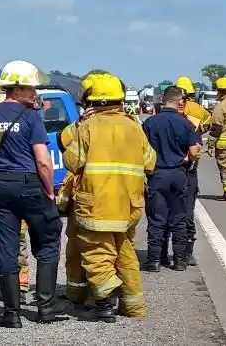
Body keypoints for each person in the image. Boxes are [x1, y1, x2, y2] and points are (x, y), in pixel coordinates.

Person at [0, 60, 72, 328]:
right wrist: (50, 191)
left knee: (6, 246)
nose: (34, 93)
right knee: (49, 240)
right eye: (30, 88)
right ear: (15, 89)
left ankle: (11, 313)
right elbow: (42, 161)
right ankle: (46, 307)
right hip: (30, 185)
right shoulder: (30, 118)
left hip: (0, 187)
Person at [62, 74, 156, 322]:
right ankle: (134, 306)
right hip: (128, 207)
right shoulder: (135, 127)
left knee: (97, 254)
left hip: (96, 205)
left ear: (94, 102)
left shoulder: (87, 128)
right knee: (125, 254)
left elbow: (71, 162)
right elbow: (150, 162)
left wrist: (79, 128)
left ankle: (105, 300)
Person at [141, 86, 200, 272]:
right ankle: (180, 261)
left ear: (163, 100)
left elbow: (141, 149)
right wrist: (186, 160)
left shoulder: (150, 123)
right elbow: (193, 151)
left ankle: (154, 261)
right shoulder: (186, 123)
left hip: (156, 174)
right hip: (178, 174)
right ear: (179, 101)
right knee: (179, 218)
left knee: (157, 218)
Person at [159, 76, 211, 266]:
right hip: (187, 170)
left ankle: (161, 255)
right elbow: (202, 136)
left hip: (168, 170)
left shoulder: (165, 115)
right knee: (184, 213)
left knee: (163, 213)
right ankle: (184, 254)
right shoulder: (196, 116)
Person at [57, 73, 100, 306]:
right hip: (112, 196)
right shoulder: (129, 123)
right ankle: (92, 293)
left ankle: (91, 294)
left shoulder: (83, 127)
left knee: (82, 246)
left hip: (86, 194)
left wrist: (81, 125)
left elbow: (68, 155)